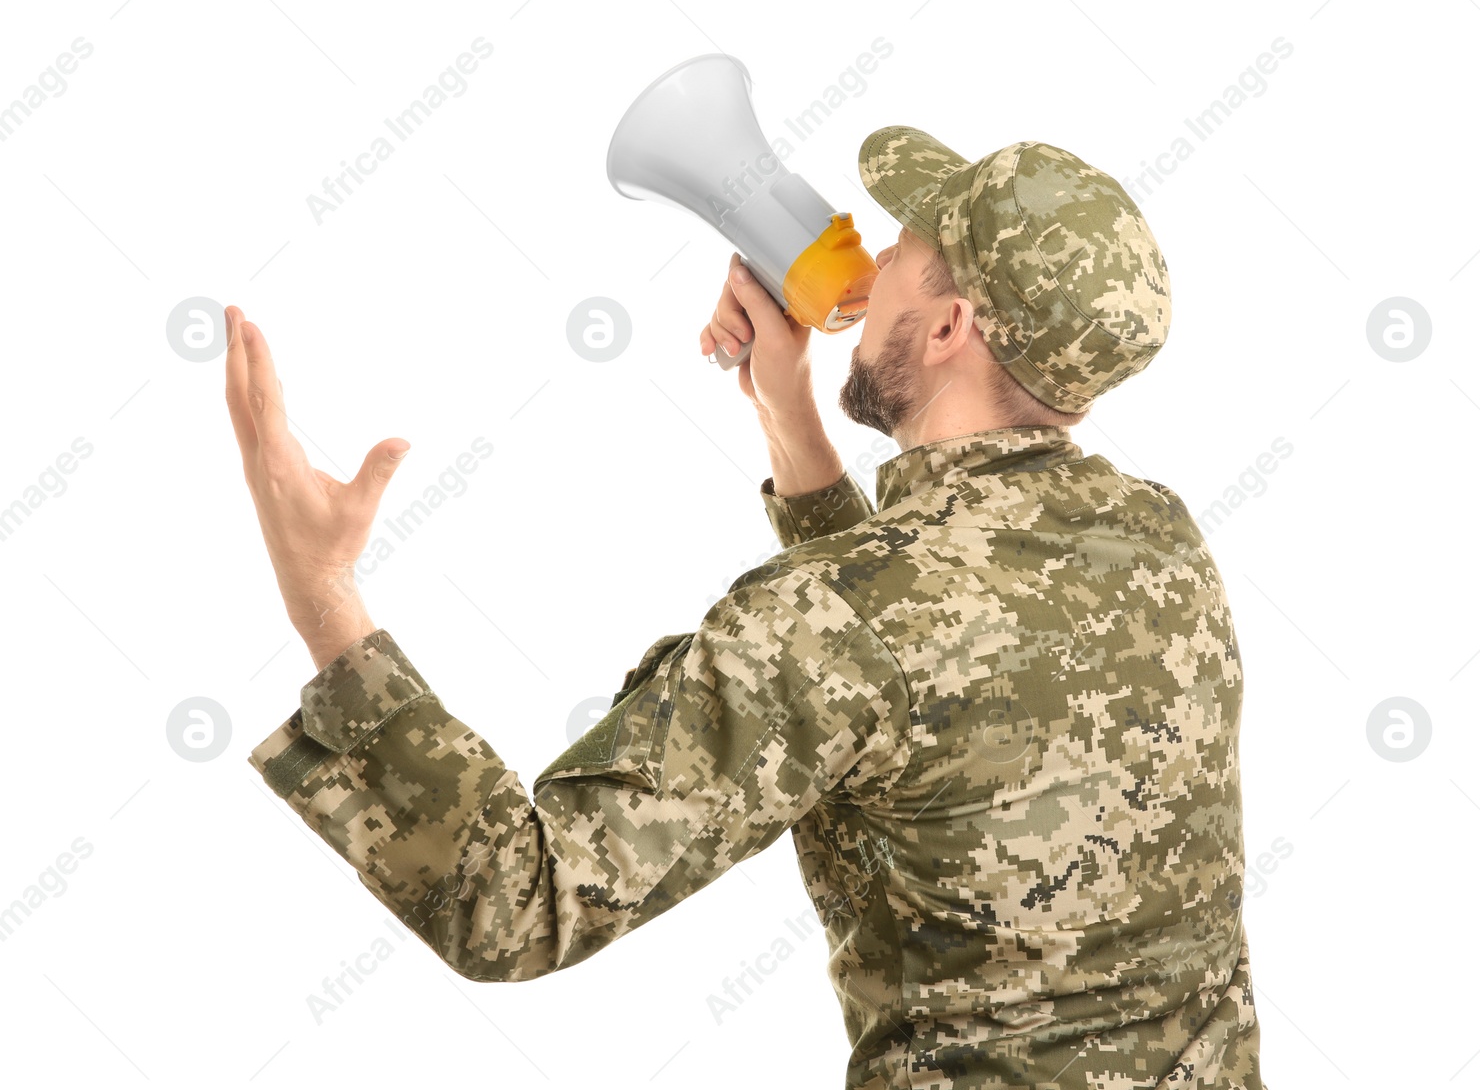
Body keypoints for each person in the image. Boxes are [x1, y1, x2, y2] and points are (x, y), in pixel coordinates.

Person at [228, 125, 1265, 1089]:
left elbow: (517, 904)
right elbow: (926, 673)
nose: (864, 261)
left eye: (897, 251)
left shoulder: (838, 618)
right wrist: (789, 416)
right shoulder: (1160, 540)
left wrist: (321, 590)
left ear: (948, 325)